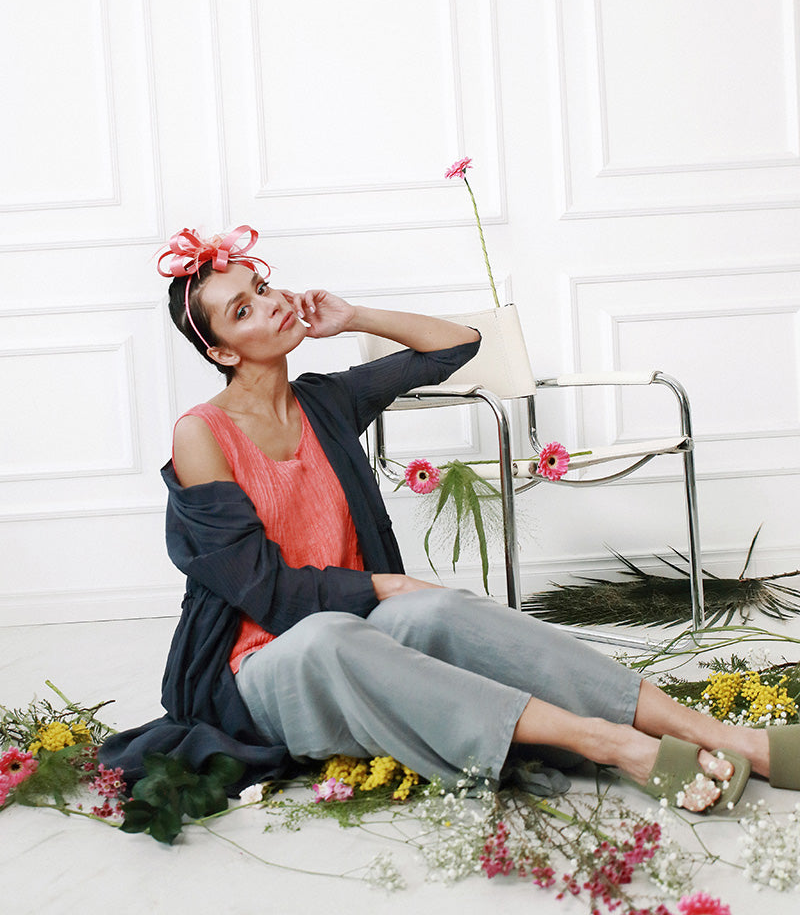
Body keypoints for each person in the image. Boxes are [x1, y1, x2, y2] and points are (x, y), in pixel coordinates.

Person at [100, 227, 791, 811]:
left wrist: (354, 317)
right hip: (258, 669)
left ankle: (725, 737)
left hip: (359, 629)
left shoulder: (325, 402)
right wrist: (387, 587)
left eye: (263, 288)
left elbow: (456, 347)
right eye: (241, 312)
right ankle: (613, 745)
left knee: (437, 616)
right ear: (221, 351)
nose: (269, 305)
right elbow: (266, 593)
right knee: (332, 636)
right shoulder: (203, 435)